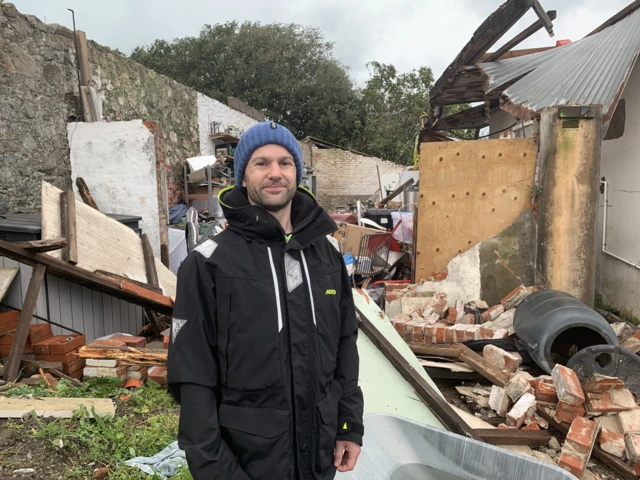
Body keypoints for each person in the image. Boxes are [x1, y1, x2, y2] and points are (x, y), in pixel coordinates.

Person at [167, 121, 364, 480]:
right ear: (243, 176)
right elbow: (192, 379)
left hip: (318, 458)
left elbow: (345, 344)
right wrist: (216, 470)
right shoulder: (208, 263)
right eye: (261, 163)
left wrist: (348, 425)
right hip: (246, 464)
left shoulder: (327, 255)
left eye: (285, 162)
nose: (275, 173)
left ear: (297, 173)